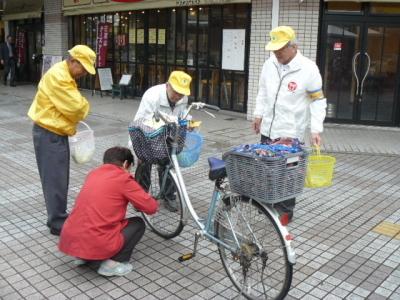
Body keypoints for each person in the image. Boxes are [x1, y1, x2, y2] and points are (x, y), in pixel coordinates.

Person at [252, 26, 327, 222]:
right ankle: (269, 203)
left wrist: (316, 129)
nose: (276, 54)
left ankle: (285, 211)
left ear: (294, 46)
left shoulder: (309, 69)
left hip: (290, 133)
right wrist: (258, 115)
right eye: (274, 50)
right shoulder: (270, 64)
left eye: (280, 50)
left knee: (288, 173)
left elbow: (318, 100)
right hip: (268, 129)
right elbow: (262, 91)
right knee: (267, 168)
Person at [28, 45, 96, 236]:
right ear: (73, 60)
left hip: (53, 132)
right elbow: (77, 108)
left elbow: (73, 107)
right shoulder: (60, 77)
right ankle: (57, 222)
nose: (83, 73)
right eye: (82, 68)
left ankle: (57, 217)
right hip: (49, 133)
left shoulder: (65, 75)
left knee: (57, 177)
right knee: (54, 178)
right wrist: (82, 104)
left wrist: (79, 105)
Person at [59, 147, 158, 277]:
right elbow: (151, 208)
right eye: (130, 167)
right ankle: (112, 265)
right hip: (97, 239)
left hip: (70, 238)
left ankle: (83, 256)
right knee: (138, 224)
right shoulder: (122, 178)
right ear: (125, 164)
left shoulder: (93, 174)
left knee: (94, 217)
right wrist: (155, 202)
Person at [132, 70, 192, 212]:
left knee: (169, 162)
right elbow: (142, 122)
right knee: (144, 163)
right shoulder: (152, 96)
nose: (178, 97)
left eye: (181, 93)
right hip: (146, 132)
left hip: (168, 132)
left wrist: (188, 122)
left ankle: (168, 195)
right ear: (167, 85)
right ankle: (140, 198)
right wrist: (140, 149)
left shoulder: (183, 99)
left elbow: (182, 114)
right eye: (176, 92)